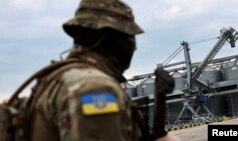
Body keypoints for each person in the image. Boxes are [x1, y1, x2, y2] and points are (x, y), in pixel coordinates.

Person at [2, 0, 182, 141]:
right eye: (129, 37)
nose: (133, 47)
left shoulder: (57, 80)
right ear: (110, 37)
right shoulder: (93, 88)